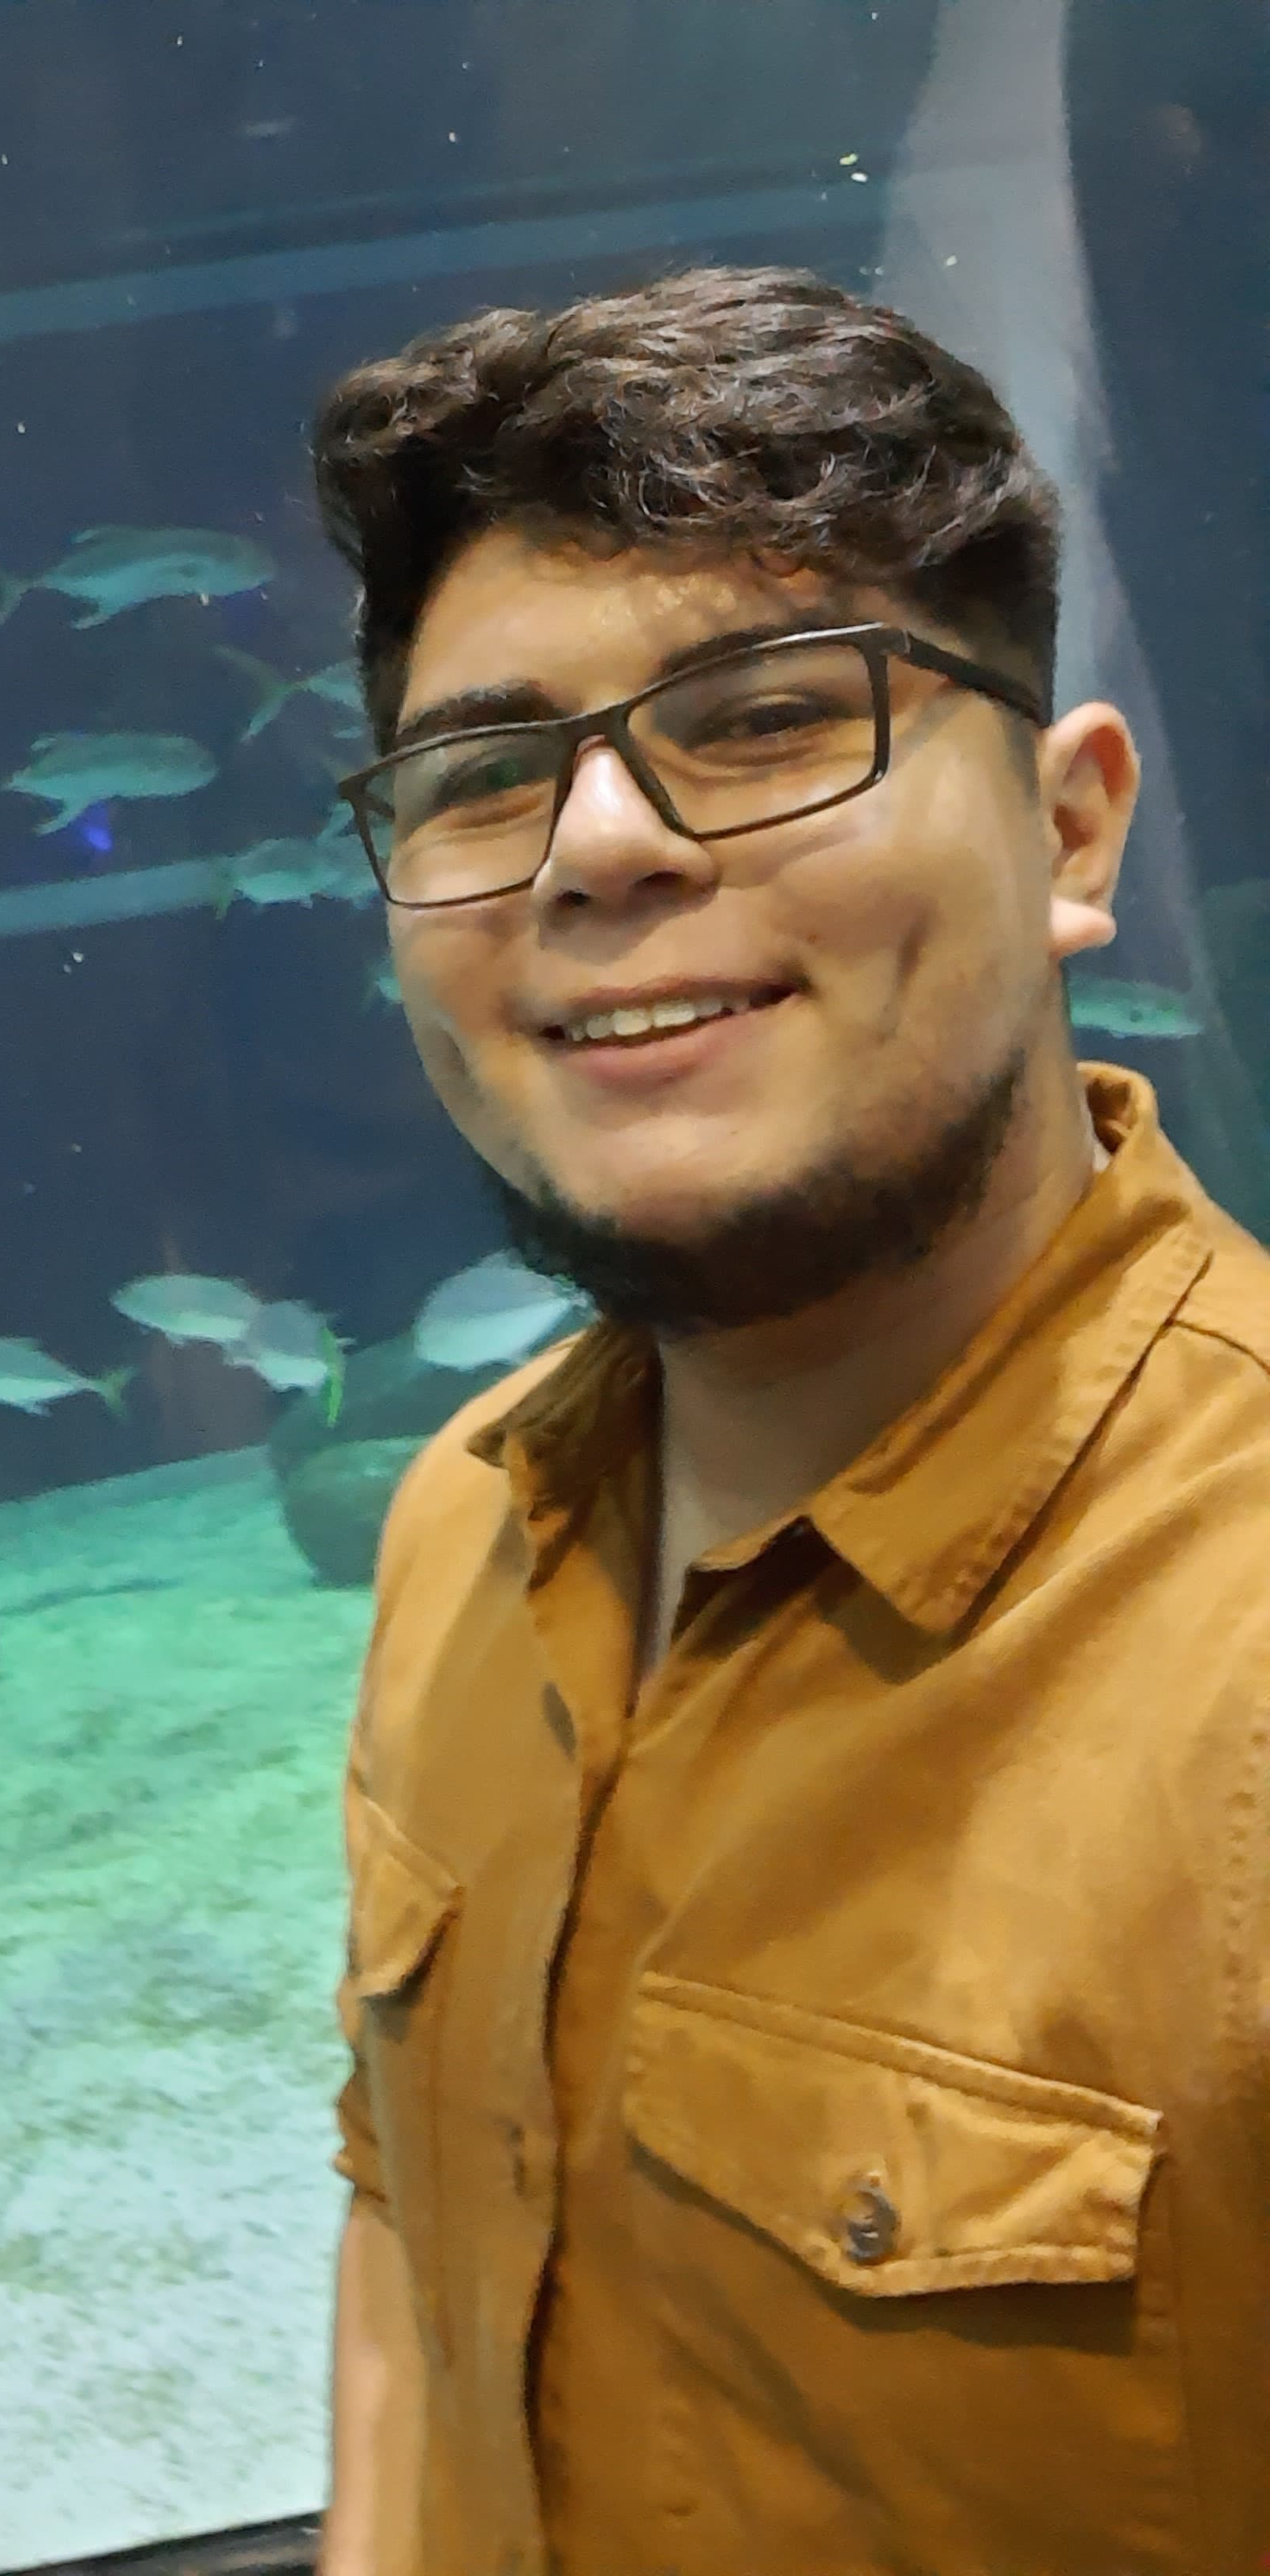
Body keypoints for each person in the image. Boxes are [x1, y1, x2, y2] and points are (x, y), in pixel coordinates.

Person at [308, 265, 1270, 2576]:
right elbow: (411, 2231)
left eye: (759, 719)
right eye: (481, 774)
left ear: (1070, 831)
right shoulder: (463, 1526)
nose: (598, 845)